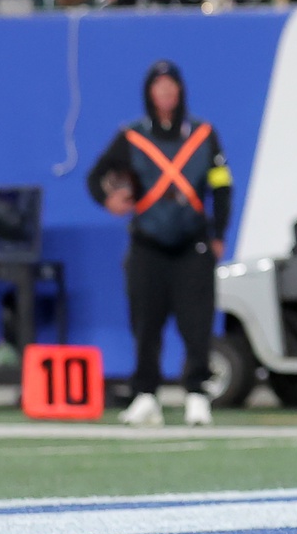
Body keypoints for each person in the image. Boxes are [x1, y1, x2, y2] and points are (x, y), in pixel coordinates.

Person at [86, 61, 231, 428]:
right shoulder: (133, 136)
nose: (165, 94)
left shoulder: (203, 134)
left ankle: (197, 395)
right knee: (145, 323)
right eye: (159, 87)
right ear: (149, 93)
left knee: (196, 323)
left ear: (180, 91)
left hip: (192, 244)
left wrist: (218, 234)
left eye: (171, 86)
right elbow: (96, 175)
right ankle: (145, 395)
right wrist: (111, 200)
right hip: (147, 243)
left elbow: (221, 185)